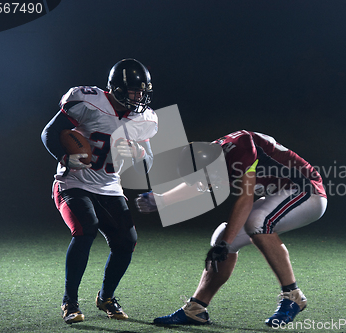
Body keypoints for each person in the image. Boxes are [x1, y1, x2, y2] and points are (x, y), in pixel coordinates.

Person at [136, 130, 327, 327]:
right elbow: (205, 179)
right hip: (280, 193)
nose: (205, 182)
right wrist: (162, 199)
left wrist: (227, 242)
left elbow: (245, 198)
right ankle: (196, 309)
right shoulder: (213, 154)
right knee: (222, 238)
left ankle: (293, 295)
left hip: (306, 190)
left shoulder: (241, 148)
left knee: (256, 222)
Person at [41, 58, 158, 324]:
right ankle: (69, 301)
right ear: (116, 87)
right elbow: (50, 132)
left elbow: (149, 161)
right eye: (134, 90)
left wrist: (139, 152)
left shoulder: (144, 118)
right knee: (86, 228)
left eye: (143, 91)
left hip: (108, 186)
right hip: (74, 182)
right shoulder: (89, 101)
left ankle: (106, 297)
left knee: (127, 241)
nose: (139, 96)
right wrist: (63, 157)